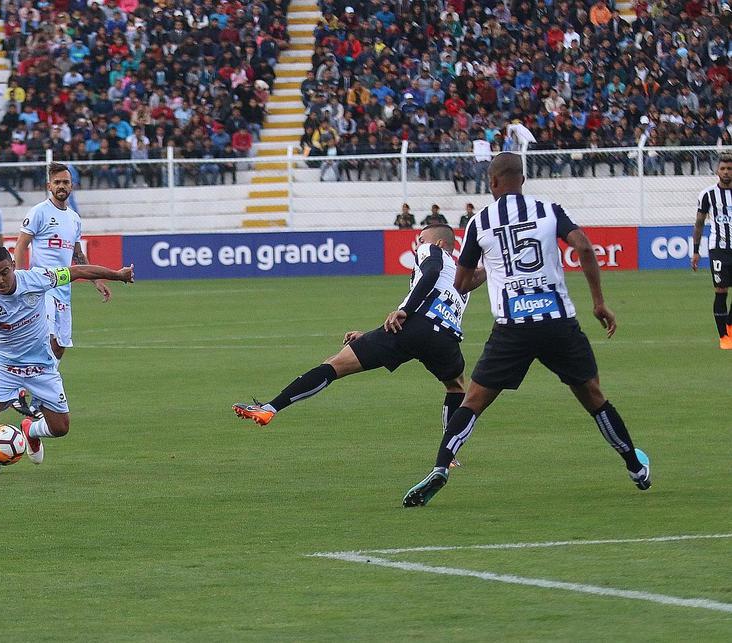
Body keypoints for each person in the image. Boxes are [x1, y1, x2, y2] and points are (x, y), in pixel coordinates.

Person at [402, 152, 651, 508]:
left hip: (512, 327)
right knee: (593, 397)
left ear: (492, 182)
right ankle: (635, 468)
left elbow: (460, 283)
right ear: (522, 179)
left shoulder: (480, 222)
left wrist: (492, 269)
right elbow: (583, 246)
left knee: (473, 402)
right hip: (557, 321)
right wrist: (598, 302)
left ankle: (441, 466)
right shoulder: (548, 210)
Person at [234, 225, 477, 468]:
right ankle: (449, 457)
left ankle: (270, 408)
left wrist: (405, 310)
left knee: (335, 365)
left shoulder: (431, 251)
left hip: (413, 326)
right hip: (446, 338)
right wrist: (371, 336)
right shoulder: (460, 278)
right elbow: (444, 295)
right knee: (456, 387)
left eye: (422, 238)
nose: (418, 243)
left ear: (440, 243)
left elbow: (431, 273)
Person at [0, 246, 134, 476]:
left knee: (60, 428)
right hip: (4, 367)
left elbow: (77, 271)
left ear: (13, 266)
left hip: (41, 367)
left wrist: (117, 275)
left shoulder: (37, 278)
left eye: (4, 273)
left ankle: (30, 431)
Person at [14, 162, 111, 364]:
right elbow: (21, 246)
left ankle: (43, 380)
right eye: (57, 182)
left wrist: (97, 281)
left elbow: (78, 255)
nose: (61, 186)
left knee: (59, 347)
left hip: (64, 288)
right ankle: (32, 380)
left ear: (71, 186)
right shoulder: (39, 212)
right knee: (47, 338)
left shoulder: (74, 218)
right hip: (42, 286)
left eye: (65, 182)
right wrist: (20, 280)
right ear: (49, 186)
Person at [692, 154, 732, 349]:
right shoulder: (707, 195)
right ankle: (724, 337)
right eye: (723, 168)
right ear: (717, 171)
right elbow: (699, 223)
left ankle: (730, 324)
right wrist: (696, 250)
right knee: (721, 291)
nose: (726, 172)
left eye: (729, 169)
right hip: (718, 249)